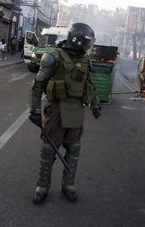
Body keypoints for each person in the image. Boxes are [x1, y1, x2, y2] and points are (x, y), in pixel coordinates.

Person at [29, 22, 102, 204]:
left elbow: (89, 85)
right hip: (56, 110)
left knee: (74, 149)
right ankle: (42, 186)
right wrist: (35, 110)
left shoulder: (85, 60)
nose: (88, 46)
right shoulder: (53, 56)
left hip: (76, 109)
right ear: (77, 40)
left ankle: (68, 185)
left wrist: (96, 104)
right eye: (86, 42)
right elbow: (37, 85)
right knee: (48, 150)